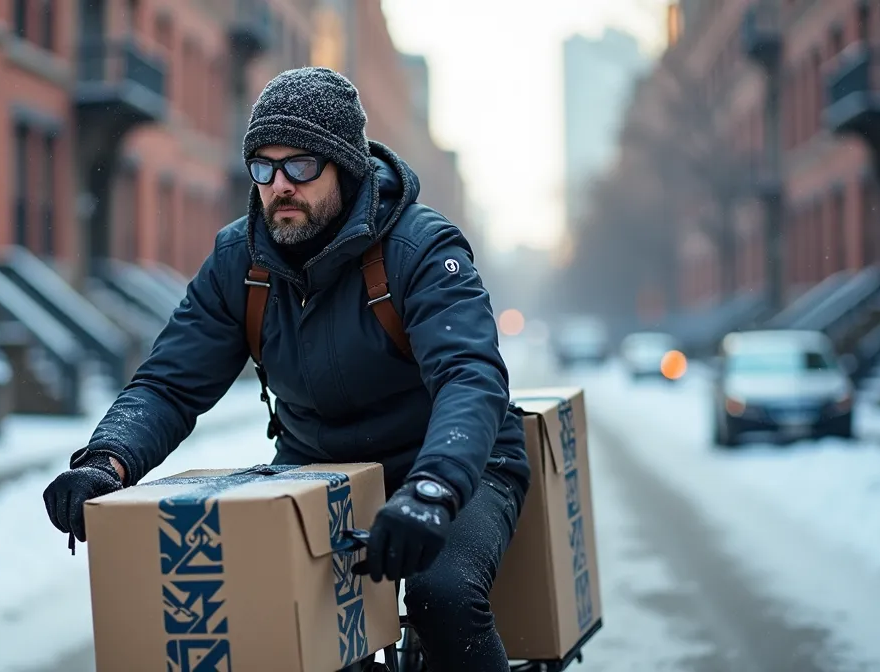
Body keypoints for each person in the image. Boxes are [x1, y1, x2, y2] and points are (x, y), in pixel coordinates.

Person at [43, 66, 531, 671]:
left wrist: (432, 490)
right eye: (264, 167)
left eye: (301, 165)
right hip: (319, 470)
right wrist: (106, 461)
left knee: (442, 595)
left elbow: (470, 376)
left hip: (458, 469)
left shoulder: (420, 249)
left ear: (346, 166)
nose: (280, 185)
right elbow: (169, 384)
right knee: (285, 623)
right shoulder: (238, 262)